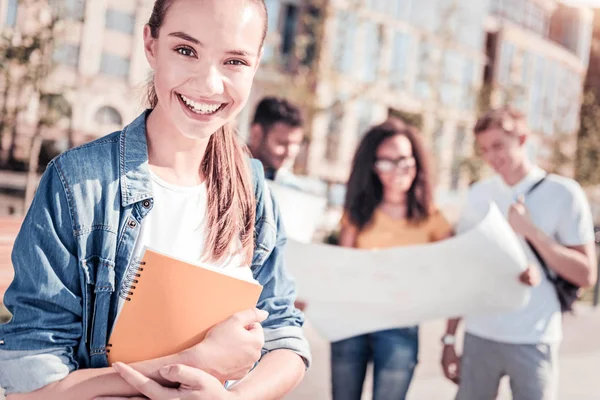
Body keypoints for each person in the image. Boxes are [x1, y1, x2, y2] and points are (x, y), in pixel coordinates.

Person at [0, 0, 310, 399]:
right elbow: (33, 385)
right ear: (151, 44)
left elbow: (285, 337)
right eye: (186, 51)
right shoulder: (79, 185)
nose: (209, 85)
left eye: (234, 61)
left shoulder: (251, 188)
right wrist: (195, 362)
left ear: (256, 64)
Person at [441, 106, 597, 400]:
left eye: (498, 145)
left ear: (523, 140)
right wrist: (450, 337)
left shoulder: (564, 193)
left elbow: (587, 274)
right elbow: (464, 272)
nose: (491, 157)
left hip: (534, 338)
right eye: (484, 149)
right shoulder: (478, 194)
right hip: (479, 334)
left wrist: (531, 232)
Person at [332, 119, 454, 400]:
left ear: (416, 161)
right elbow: (340, 269)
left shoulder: (432, 218)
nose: (396, 170)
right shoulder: (358, 212)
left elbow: (452, 272)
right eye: (385, 162)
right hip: (352, 320)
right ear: (373, 168)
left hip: (401, 324)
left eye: (402, 159)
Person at [248, 96, 304, 182]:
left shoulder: (289, 185)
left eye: (296, 144)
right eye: (282, 143)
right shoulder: (230, 170)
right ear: (256, 134)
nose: (290, 152)